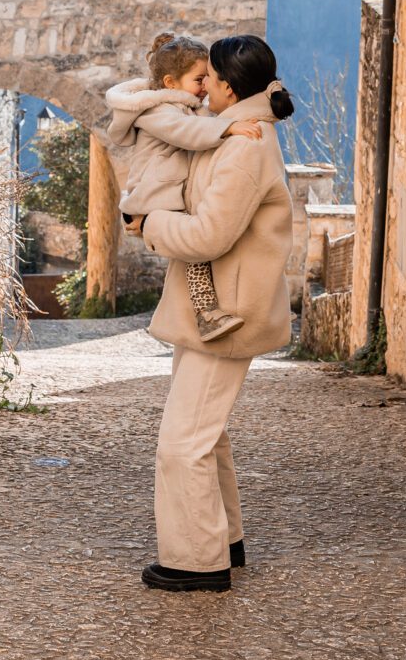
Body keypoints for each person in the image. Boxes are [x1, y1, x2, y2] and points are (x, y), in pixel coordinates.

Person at [126, 35, 294, 594]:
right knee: (207, 433)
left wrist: (148, 225)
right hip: (211, 309)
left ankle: (198, 561)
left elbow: (207, 236)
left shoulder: (246, 147)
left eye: (207, 80)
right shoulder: (237, 135)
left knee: (183, 442)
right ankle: (225, 541)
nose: (201, 90)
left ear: (227, 86)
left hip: (227, 312)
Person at [103, 31, 262, 343]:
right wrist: (228, 126)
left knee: (195, 255)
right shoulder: (157, 112)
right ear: (169, 83)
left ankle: (200, 317)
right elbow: (188, 132)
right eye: (198, 79)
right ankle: (206, 316)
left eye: (208, 79)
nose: (205, 88)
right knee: (197, 254)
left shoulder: (182, 107)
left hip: (164, 196)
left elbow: (198, 122)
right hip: (152, 199)